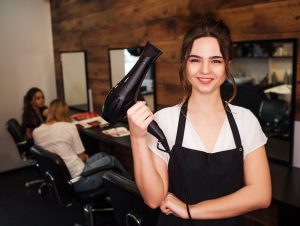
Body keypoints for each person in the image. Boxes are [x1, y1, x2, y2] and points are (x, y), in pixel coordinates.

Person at [127, 16, 271, 225]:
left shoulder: (245, 121)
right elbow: (154, 198)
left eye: (215, 60)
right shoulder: (165, 120)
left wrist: (191, 210)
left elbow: (261, 194)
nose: (205, 70)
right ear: (185, 64)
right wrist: (137, 138)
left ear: (227, 66)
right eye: (195, 60)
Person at [33, 99, 129, 192]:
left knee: (102, 155)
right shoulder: (69, 127)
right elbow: (82, 157)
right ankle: (131, 189)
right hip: (79, 180)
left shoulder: (36, 132)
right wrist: (84, 157)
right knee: (111, 160)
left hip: (60, 179)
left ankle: (117, 190)